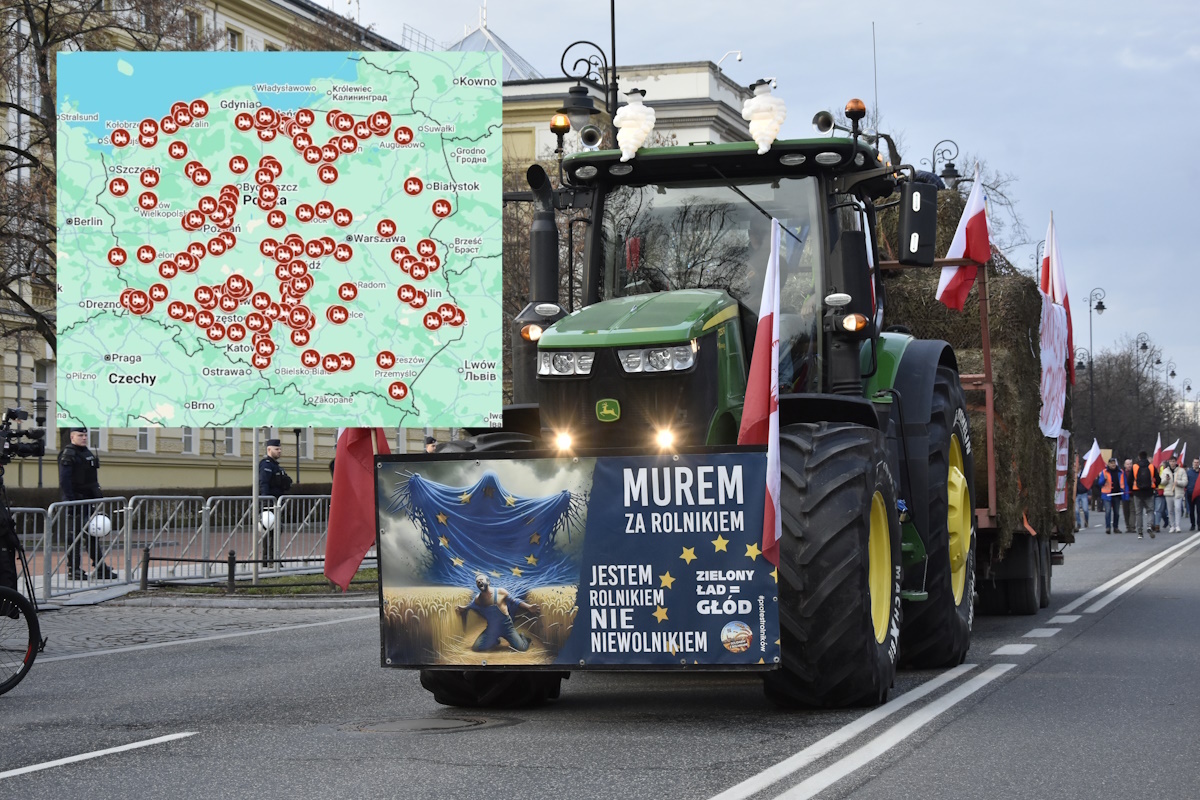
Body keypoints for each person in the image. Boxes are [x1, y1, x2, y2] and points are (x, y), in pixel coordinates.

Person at [58, 427, 115, 580]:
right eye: (80, 435)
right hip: (76, 501)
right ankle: (74, 570)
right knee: (74, 537)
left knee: (92, 535)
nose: (84, 438)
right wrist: (71, 501)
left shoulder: (86, 452)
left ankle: (101, 568)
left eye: (85, 435)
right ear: (72, 437)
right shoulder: (69, 453)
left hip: (89, 501)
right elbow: (64, 480)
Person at [456, 573, 541, 652]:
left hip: (507, 627)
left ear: (488, 582)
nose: (479, 582)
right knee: (476, 648)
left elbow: (515, 601)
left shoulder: (500, 592)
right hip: (492, 629)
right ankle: (494, 640)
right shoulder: (478, 599)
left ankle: (522, 637)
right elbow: (471, 605)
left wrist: (529, 607)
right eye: (477, 581)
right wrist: (464, 608)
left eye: (481, 580)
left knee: (522, 648)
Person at [257, 437, 292, 564]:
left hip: (276, 503)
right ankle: (270, 558)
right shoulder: (266, 465)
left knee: (275, 530)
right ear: (269, 449)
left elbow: (287, 482)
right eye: (277, 449)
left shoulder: (276, 466)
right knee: (271, 529)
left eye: (280, 449)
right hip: (270, 503)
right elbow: (263, 483)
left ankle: (269, 558)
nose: (279, 451)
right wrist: (266, 501)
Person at [1130, 451, 1156, 539]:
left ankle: (1140, 532)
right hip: (1149, 492)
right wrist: (1154, 486)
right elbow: (1158, 479)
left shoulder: (1135, 467)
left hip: (1137, 492)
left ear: (1139, 457)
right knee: (1150, 510)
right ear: (1146, 457)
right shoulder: (1151, 467)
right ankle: (1149, 526)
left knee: (1138, 513)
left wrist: (1132, 489)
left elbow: (1129, 480)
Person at [1099, 457, 1125, 534]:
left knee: (1116, 512)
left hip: (1117, 494)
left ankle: (1115, 527)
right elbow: (1099, 483)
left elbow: (1124, 482)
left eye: (1114, 463)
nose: (1113, 464)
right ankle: (1108, 527)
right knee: (1108, 511)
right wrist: (1104, 479)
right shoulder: (1104, 472)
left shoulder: (1120, 471)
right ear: (1108, 464)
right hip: (1107, 495)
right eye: (1111, 463)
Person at [1164, 455, 1188, 532]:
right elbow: (1161, 482)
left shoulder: (1181, 470)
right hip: (1169, 492)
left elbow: (1185, 482)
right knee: (1170, 510)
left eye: (1173, 461)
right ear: (1169, 462)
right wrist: (1166, 480)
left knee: (1177, 508)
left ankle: (1177, 526)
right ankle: (1172, 526)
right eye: (1171, 461)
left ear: (1176, 462)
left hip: (1178, 493)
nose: (1172, 463)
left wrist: (1178, 482)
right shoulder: (1165, 471)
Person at [1122, 458, 1135, 533]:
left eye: (1130, 464)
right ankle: (1128, 526)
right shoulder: (1122, 473)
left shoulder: (1135, 472)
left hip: (1133, 494)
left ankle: (1132, 526)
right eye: (1127, 464)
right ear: (1124, 465)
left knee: (1133, 511)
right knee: (1126, 512)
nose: (1129, 465)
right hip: (1124, 494)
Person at [1187, 457, 1200, 532]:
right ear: (1193, 463)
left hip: (1199, 494)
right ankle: (1192, 525)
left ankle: (1199, 525)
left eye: (1197, 462)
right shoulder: (1189, 472)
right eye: (1195, 462)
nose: (1196, 464)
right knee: (1191, 510)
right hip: (1190, 493)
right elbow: (1186, 481)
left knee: (1199, 510)